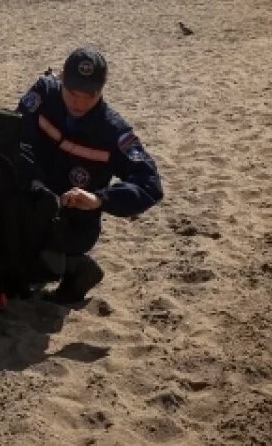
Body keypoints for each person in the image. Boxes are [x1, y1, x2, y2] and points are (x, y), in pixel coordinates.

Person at [16, 47, 163, 303]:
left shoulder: (113, 131)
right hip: (30, 198)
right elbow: (16, 138)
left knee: (30, 267)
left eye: (89, 95)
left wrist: (101, 199)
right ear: (61, 78)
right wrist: (33, 181)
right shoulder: (43, 94)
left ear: (102, 89)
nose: (79, 103)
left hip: (73, 222)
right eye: (72, 93)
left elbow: (150, 183)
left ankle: (75, 268)